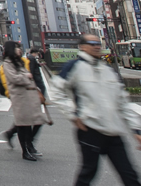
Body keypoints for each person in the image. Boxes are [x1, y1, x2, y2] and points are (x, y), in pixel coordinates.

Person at [51, 33, 141, 186]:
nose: (96, 46)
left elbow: (122, 102)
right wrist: (73, 115)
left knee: (129, 175)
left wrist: (136, 129)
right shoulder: (74, 67)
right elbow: (56, 91)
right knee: (88, 173)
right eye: (92, 43)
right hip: (90, 129)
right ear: (82, 46)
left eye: (98, 43)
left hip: (113, 131)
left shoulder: (107, 70)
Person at [0, 40, 44, 160]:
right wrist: (26, 77)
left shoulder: (19, 62)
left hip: (27, 96)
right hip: (20, 97)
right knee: (23, 125)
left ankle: (28, 147)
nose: (19, 50)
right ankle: (26, 151)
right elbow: (14, 78)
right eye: (17, 48)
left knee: (30, 123)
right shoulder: (8, 63)